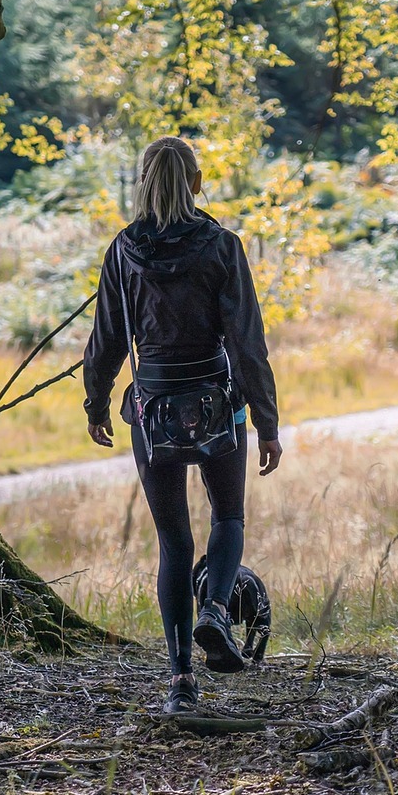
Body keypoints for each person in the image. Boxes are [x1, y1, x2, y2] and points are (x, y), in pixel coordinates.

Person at [83, 135, 283, 714]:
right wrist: (266, 422)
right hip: (219, 407)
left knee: (174, 542)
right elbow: (247, 343)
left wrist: (97, 405)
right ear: (195, 183)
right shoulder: (223, 246)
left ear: (142, 185)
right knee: (228, 517)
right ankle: (217, 612)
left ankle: (179, 682)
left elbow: (107, 341)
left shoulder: (123, 251)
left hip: (153, 412)